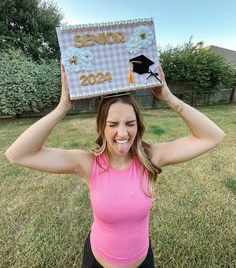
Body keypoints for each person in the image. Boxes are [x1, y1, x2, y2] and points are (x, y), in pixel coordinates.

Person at [5, 64, 225, 268]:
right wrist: (62, 108)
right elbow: (18, 154)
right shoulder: (87, 163)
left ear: (138, 126)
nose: (122, 133)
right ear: (102, 128)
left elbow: (212, 137)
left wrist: (168, 97)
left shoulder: (151, 158)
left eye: (130, 124)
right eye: (112, 124)